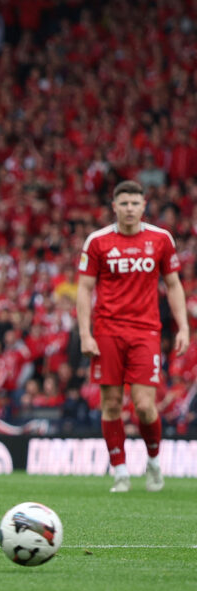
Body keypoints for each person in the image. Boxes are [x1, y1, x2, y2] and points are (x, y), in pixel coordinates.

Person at [77, 179, 190, 493]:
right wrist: (85, 334)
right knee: (111, 403)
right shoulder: (97, 241)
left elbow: (173, 285)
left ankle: (153, 462)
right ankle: (120, 471)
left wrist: (183, 327)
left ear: (144, 206)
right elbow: (84, 289)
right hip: (107, 331)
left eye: (134, 203)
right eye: (124, 203)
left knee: (143, 405)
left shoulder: (161, 239)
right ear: (114, 207)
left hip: (145, 332)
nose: (129, 209)